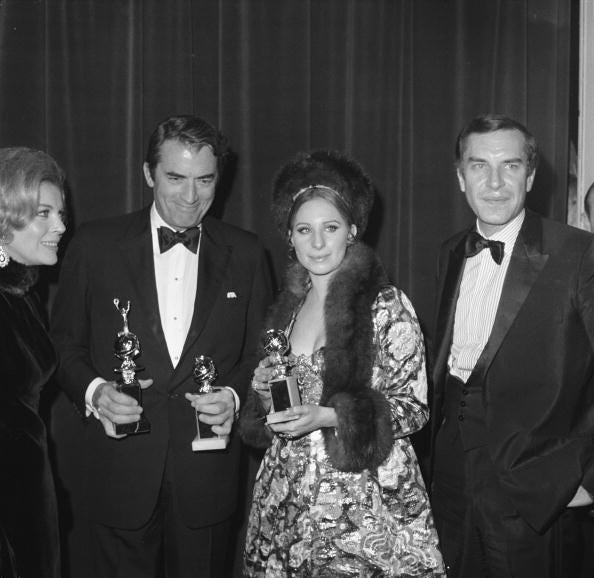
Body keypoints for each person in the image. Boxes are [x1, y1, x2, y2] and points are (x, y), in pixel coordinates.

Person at [51, 115, 272, 577]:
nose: (191, 197)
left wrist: (233, 397)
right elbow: (64, 344)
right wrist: (95, 393)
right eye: (175, 178)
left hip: (207, 478)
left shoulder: (248, 254)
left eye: (205, 180)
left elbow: (261, 357)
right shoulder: (95, 245)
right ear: (149, 174)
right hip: (119, 472)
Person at [239, 150, 445, 576]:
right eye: (304, 230)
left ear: (351, 231)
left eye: (330, 228)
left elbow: (414, 409)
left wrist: (329, 416)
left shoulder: (387, 305)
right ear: (289, 237)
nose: (317, 243)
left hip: (363, 505)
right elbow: (277, 404)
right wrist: (262, 394)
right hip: (286, 500)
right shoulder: (287, 309)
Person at [429, 113, 594, 577]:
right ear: (461, 178)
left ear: (532, 175)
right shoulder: (449, 251)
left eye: (512, 165)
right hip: (450, 480)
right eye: (479, 166)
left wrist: (589, 480)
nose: (496, 182)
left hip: (535, 489)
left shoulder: (579, 253)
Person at [0, 147, 67, 578]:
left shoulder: (22, 295)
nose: (61, 226)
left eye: (60, 213)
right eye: (44, 213)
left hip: (27, 498)